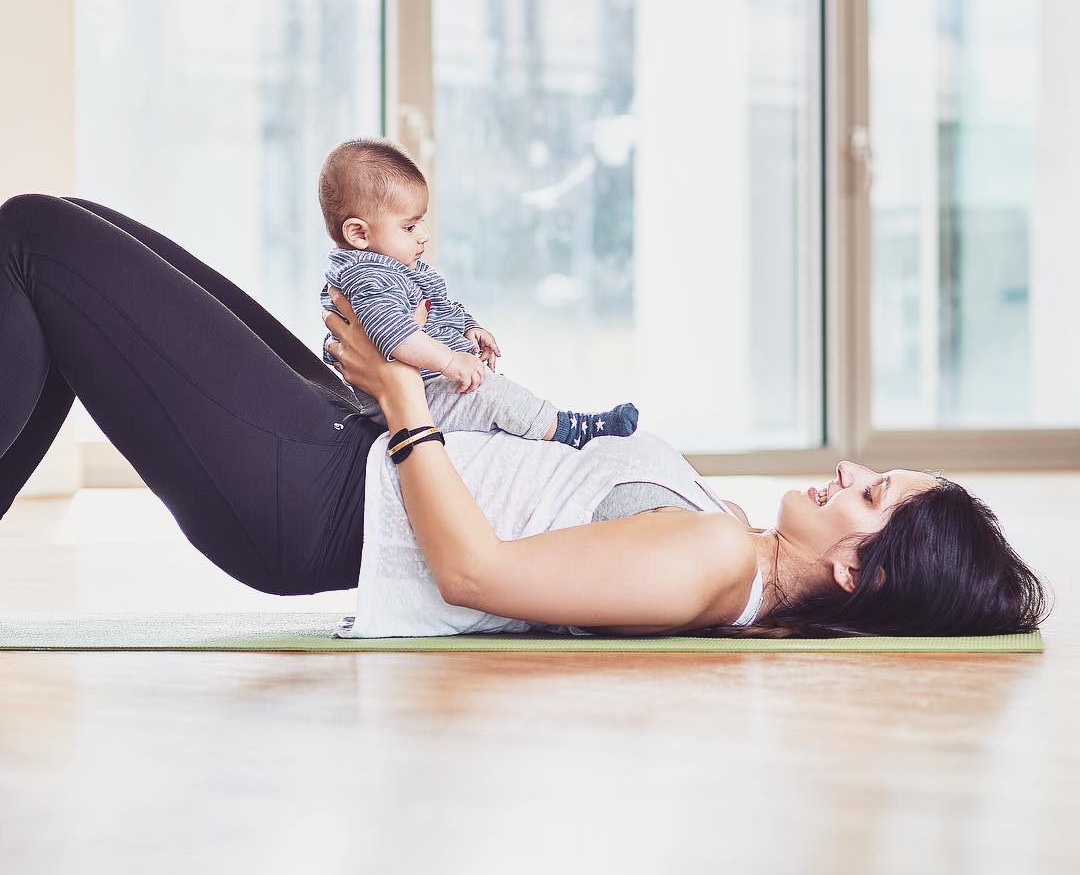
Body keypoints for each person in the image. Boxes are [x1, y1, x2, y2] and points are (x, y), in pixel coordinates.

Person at [0, 194, 1049, 639]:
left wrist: (404, 395)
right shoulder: (724, 538)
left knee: (37, 241)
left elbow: (476, 574)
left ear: (861, 570)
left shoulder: (713, 564)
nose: (850, 471)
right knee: (65, 250)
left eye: (869, 497)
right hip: (353, 448)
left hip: (312, 499)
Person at [318, 137, 638, 449]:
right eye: (409, 227)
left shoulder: (395, 266)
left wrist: (468, 328)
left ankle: (547, 425)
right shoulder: (368, 277)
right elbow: (395, 335)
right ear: (358, 233)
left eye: (422, 222)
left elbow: (440, 306)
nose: (424, 235)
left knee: (496, 393)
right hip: (411, 395)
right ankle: (572, 430)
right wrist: (450, 361)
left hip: (427, 381)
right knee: (492, 397)